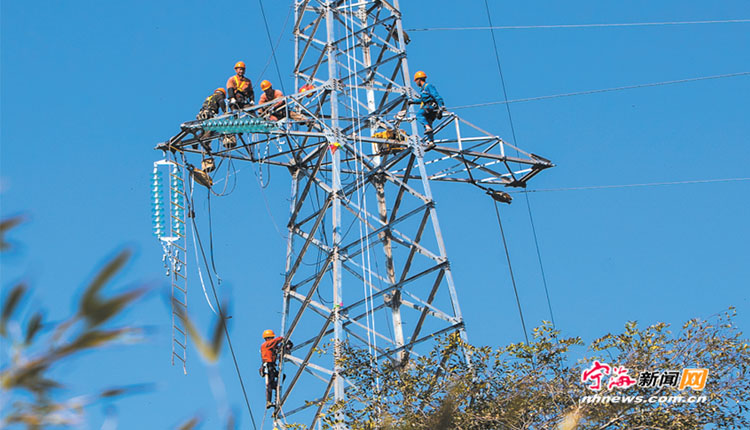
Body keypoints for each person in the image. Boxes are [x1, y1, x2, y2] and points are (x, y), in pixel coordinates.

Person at [259, 329, 291, 409]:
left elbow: (277, 348)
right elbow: (276, 341)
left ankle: (276, 387)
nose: (273, 339)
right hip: (268, 366)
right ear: (268, 338)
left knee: (282, 376)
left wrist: (286, 346)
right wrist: (282, 338)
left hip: (272, 367)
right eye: (272, 338)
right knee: (269, 384)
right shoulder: (266, 344)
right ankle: (268, 402)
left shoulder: (271, 346)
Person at [411, 70, 445, 138]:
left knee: (419, 115)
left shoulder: (428, 86)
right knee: (427, 122)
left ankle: (428, 127)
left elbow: (436, 96)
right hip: (428, 108)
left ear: (419, 80)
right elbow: (422, 100)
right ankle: (431, 142)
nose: (416, 83)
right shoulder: (423, 90)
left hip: (430, 106)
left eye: (416, 81)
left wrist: (441, 106)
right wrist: (413, 101)